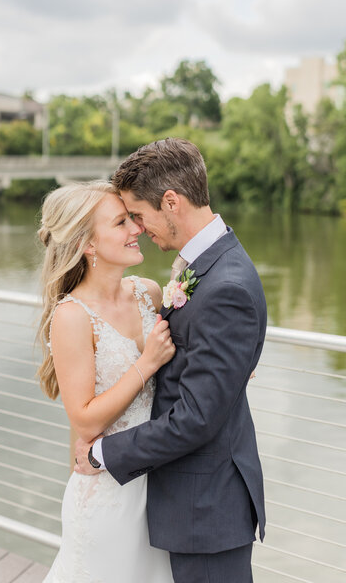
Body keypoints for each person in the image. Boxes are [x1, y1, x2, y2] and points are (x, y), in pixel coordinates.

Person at [75, 138, 267, 583]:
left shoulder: (226, 285)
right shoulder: (207, 266)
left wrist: (103, 453)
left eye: (139, 215)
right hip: (188, 503)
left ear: (172, 202)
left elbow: (196, 419)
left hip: (208, 510)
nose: (138, 229)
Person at [37, 181, 175, 582]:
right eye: (120, 222)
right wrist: (145, 364)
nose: (136, 229)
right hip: (108, 494)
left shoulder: (148, 293)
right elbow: (85, 421)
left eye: (132, 219)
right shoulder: (72, 316)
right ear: (89, 244)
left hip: (158, 487)